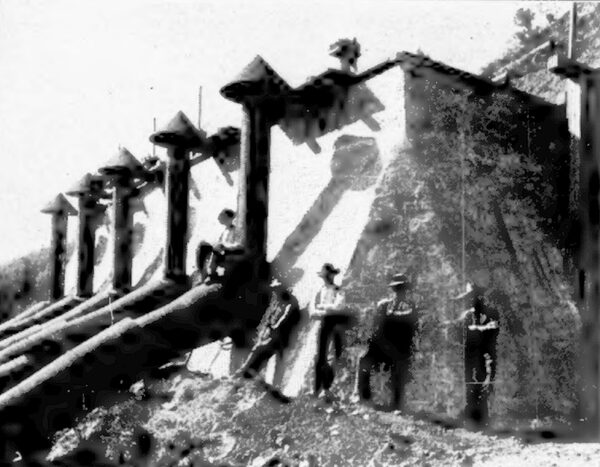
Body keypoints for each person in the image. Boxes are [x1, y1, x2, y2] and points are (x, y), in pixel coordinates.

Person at [356, 273, 418, 411]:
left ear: (405, 290)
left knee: (400, 366)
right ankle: (363, 397)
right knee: (364, 360)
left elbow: (412, 331)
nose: (398, 292)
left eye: (401, 288)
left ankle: (397, 404)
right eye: (396, 289)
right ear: (392, 290)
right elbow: (376, 329)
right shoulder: (384, 305)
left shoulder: (410, 307)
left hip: (400, 349)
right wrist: (374, 346)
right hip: (382, 347)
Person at [451, 281, 500, 427]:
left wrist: (475, 330)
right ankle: (472, 418)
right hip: (471, 357)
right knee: (471, 387)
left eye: (475, 297)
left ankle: (483, 418)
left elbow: (494, 328)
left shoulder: (491, 312)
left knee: (484, 385)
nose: (473, 300)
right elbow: (459, 333)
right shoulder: (466, 316)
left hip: (486, 357)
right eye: (471, 298)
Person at [311, 263, 351, 400]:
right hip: (324, 324)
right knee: (320, 357)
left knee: (335, 355)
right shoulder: (319, 291)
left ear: (333, 275)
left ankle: (327, 387)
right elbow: (313, 310)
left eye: (329, 275)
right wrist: (326, 309)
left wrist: (324, 308)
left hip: (336, 325)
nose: (327, 278)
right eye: (325, 275)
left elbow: (339, 306)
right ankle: (317, 389)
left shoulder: (338, 290)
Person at [195, 209, 243, 284]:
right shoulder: (225, 231)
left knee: (212, 252)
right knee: (203, 246)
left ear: (229, 218)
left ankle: (205, 276)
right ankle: (202, 273)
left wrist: (225, 246)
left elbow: (238, 245)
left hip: (227, 252)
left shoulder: (235, 230)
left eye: (224, 217)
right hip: (221, 250)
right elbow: (220, 242)